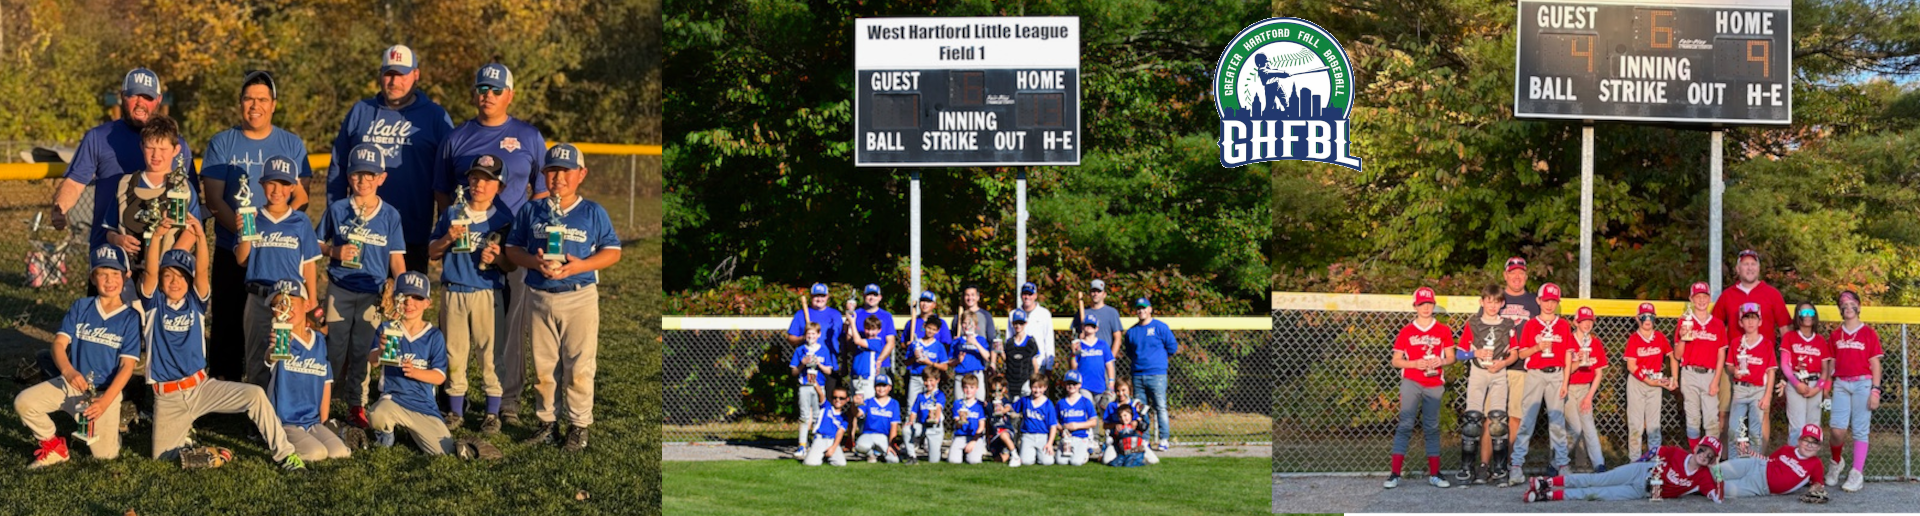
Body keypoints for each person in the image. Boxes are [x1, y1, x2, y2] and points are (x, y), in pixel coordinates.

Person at [141, 216, 304, 470]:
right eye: (169, 276)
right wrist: (157, 237)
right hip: (168, 397)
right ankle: (194, 442)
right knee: (163, 460)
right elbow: (150, 271)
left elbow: (203, 271)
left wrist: (200, 237)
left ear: (189, 282)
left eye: (182, 277)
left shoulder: (195, 303)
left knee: (255, 395)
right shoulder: (154, 304)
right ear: (161, 280)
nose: (175, 282)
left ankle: (285, 454)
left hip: (200, 388)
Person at [436, 63, 548, 422]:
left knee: (507, 328)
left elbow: (541, 192)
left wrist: (523, 237)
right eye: (482, 88)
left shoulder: (528, 136)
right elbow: (442, 192)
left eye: (496, 90)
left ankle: (508, 402)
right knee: (454, 329)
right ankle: (453, 399)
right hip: (463, 247)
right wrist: (454, 227)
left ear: (510, 95)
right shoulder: (457, 137)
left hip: (509, 247)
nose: (488, 95)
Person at [503, 143, 623, 451]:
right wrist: (535, 262)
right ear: (543, 175)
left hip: (579, 295)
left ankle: (579, 425)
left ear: (581, 174)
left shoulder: (592, 211)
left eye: (566, 171)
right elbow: (513, 249)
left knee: (579, 365)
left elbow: (613, 251)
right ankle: (547, 422)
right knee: (543, 367)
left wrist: (581, 266)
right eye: (552, 170)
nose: (559, 177)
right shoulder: (532, 209)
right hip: (539, 295)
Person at [200, 70, 313, 382]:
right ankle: (225, 385)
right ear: (240, 103)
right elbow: (213, 199)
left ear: (273, 104)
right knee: (228, 321)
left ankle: (276, 386)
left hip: (277, 255)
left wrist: (273, 230)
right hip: (232, 246)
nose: (255, 105)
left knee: (278, 321)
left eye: (262, 99)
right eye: (249, 98)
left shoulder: (291, 143)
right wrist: (246, 234)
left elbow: (301, 196)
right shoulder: (223, 142)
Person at [326, 44, 453, 275]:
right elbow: (338, 167)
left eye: (401, 75)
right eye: (389, 75)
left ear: (416, 75)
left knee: (406, 305)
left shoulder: (435, 116)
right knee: (357, 303)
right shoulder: (361, 111)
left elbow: (447, 175)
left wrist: (445, 225)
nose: (394, 82)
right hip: (358, 231)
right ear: (380, 75)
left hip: (411, 232)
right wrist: (335, 219)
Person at [16, 245, 143, 467]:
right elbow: (58, 344)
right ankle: (54, 446)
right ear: (92, 277)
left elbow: (127, 367)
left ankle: (116, 421)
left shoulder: (130, 317)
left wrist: (105, 402)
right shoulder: (81, 306)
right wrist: (68, 371)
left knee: (104, 457)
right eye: (102, 273)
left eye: (116, 273)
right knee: (24, 402)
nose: (109, 279)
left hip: (104, 393)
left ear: (127, 276)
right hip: (73, 383)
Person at [50, 68, 198, 250]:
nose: (140, 103)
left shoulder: (177, 145)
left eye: (147, 98)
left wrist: (176, 256)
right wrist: (60, 209)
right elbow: (74, 183)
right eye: (133, 96)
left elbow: (191, 206)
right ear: (122, 97)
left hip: (162, 254)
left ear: (159, 100)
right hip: (109, 253)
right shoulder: (99, 137)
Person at [320, 143, 409, 427]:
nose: (363, 181)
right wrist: (335, 252)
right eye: (357, 174)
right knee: (334, 349)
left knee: (362, 351)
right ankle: (321, 400)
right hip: (340, 287)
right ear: (349, 176)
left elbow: (396, 257)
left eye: (370, 175)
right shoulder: (337, 209)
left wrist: (402, 290)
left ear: (381, 178)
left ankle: (355, 404)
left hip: (372, 293)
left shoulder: (390, 215)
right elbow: (315, 243)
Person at [427, 154, 517, 431]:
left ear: (499, 187)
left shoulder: (503, 219)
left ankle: (492, 412)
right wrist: (447, 238)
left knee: (489, 353)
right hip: (454, 290)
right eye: (475, 177)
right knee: (454, 352)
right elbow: (432, 252)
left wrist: (497, 258)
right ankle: (456, 410)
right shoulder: (453, 213)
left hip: (487, 292)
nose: (479, 184)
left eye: (488, 180)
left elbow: (511, 265)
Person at [235, 156, 321, 388]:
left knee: (289, 359)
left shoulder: (300, 221)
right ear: (262, 184)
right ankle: (257, 416)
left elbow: (309, 263)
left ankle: (285, 409)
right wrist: (245, 231)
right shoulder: (254, 217)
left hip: (291, 302)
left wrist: (312, 298)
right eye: (272, 183)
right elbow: (242, 260)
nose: (277, 190)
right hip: (259, 296)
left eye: (284, 184)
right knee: (256, 359)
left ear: (293, 187)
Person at [1711, 249, 1790, 452]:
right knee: (1725, 413)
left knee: (1761, 413)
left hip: (1762, 366)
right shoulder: (1728, 295)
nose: (1749, 267)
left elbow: (1785, 330)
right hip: (1733, 365)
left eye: (1753, 264)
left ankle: (1758, 460)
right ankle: (1727, 461)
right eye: (1745, 264)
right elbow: (1715, 329)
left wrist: (1786, 364)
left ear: (1759, 268)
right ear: (1738, 269)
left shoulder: (1772, 293)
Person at [365, 271, 452, 455]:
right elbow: (372, 361)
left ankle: (414, 433)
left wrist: (416, 373)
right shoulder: (388, 328)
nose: (409, 303)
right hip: (394, 398)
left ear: (428, 303)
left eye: (417, 298)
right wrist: (381, 350)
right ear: (396, 299)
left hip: (423, 404)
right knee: (377, 414)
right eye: (404, 297)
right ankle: (386, 436)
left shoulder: (434, 335)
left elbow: (439, 376)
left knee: (443, 451)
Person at [264, 282, 350, 462]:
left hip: (311, 421)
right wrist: (276, 349)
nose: (285, 309)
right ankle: (276, 441)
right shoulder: (280, 339)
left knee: (339, 452)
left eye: (290, 303)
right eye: (279, 305)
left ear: (307, 305)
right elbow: (270, 357)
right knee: (316, 453)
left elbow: (325, 383)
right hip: (284, 422)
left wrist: (324, 423)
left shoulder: (319, 340)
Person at [1505, 282, 1574, 487]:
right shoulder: (1531, 324)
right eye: (1546, 300)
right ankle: (1516, 465)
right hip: (1535, 374)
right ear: (1538, 301)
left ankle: (1562, 464)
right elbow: (1522, 353)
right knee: (1527, 419)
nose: (1549, 305)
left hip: (1556, 374)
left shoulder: (1563, 325)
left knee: (1557, 421)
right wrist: (1537, 347)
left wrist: (1566, 381)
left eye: (1553, 301)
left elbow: (1568, 355)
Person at [106, 116, 204, 256]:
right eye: (150, 148)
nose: (156, 155)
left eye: (163, 149)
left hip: (168, 270)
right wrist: (118, 240)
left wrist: (173, 259)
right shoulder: (125, 185)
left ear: (176, 150)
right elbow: (110, 229)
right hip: (130, 269)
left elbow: (193, 229)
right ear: (142, 146)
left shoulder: (183, 188)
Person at [1387, 287, 1453, 489]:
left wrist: (1438, 361)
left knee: (1431, 427)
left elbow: (1451, 357)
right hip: (1412, 381)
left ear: (1433, 305)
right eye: (1421, 304)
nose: (1425, 308)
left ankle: (1435, 474)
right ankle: (1395, 474)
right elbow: (1396, 361)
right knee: (1405, 425)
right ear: (1414, 306)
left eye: (1429, 303)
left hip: (1434, 383)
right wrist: (1415, 363)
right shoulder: (1407, 331)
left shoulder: (1443, 330)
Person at [1521, 436, 1723, 503]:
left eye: (1710, 456)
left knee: (1597, 494)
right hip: (1641, 472)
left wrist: (1717, 469)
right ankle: (1547, 482)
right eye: (1704, 450)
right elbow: (1655, 450)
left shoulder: (1703, 477)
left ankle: (1547, 496)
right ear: (1697, 447)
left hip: (1640, 492)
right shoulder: (1679, 454)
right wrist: (1638, 462)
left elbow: (1718, 498)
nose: (1705, 455)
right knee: (1598, 479)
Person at [1455, 283, 1517, 484]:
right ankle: (1467, 469)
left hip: (1499, 372)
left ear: (1502, 303)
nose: (1492, 306)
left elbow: (1514, 353)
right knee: (1473, 420)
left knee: (1498, 421)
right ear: (1482, 302)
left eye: (1496, 302)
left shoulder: (1508, 325)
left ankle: (1499, 469)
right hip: (1478, 371)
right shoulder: (1473, 323)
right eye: (1488, 301)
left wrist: (1503, 363)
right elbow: (1459, 353)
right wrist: (1476, 352)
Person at [1824, 290, 1882, 492]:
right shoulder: (1835, 335)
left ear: (1858, 305)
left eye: (1851, 302)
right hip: (1841, 383)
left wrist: (1875, 390)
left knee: (1860, 429)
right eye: (1843, 303)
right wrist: (1828, 385)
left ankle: (1857, 473)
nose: (1848, 306)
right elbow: (1831, 362)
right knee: (1837, 430)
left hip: (1862, 384)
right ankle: (1836, 462)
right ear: (1840, 309)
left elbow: (1875, 364)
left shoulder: (1868, 333)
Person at [1674, 281, 1728, 451]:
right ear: (1691, 299)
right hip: (1689, 373)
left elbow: (1721, 355)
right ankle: (1695, 454)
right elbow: (1677, 355)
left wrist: (1716, 380)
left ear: (1709, 298)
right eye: (1698, 297)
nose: (1701, 300)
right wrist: (1683, 338)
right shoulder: (1685, 321)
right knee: (1693, 418)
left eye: (1704, 296)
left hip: (1709, 374)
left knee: (1711, 419)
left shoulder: (1717, 324)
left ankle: (1711, 457)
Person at [1124, 297, 1179, 452]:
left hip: (1157, 375)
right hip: (1138, 375)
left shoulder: (1160, 327)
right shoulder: (1132, 331)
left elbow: (1172, 347)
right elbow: (1129, 351)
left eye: (1144, 308)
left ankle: (1164, 439)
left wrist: (1158, 361)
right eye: (1138, 308)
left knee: (1160, 407)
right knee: (1142, 409)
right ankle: (1145, 439)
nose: (1141, 311)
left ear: (1150, 309)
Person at [1716, 425, 1828, 499]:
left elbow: (1818, 483)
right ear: (1799, 441)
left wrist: (1816, 489)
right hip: (1754, 465)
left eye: (1814, 443)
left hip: (1759, 486)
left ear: (1819, 447)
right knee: (1719, 470)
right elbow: (1767, 460)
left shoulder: (1816, 464)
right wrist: (1750, 453)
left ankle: (1701, 485)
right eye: (1806, 440)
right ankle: (1699, 473)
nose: (1809, 445)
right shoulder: (1786, 449)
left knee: (1723, 489)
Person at [1623, 302, 1675, 460]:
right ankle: (1634, 463)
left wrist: (1673, 378)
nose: (1648, 319)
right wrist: (1647, 380)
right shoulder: (1634, 339)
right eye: (1644, 316)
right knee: (1635, 425)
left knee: (1654, 426)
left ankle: (1655, 463)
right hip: (1638, 383)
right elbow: (1631, 366)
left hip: (1654, 383)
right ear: (1637, 318)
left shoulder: (1659, 337)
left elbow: (1672, 356)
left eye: (1651, 316)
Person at [1562, 306, 1610, 473]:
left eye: (1590, 320)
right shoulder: (1568, 340)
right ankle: (1557, 462)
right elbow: (1564, 371)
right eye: (1583, 320)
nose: (1587, 323)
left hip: (1585, 389)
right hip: (1568, 388)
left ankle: (1599, 464)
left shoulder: (1595, 343)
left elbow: (1598, 373)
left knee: (1589, 426)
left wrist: (1589, 396)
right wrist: (1578, 361)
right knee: (1575, 428)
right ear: (1576, 322)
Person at [1725, 303, 1777, 457]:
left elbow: (1771, 371)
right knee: (1734, 429)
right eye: (1746, 318)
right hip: (1740, 389)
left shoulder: (1766, 344)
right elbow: (1729, 366)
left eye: (1754, 318)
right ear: (1741, 322)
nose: (1750, 322)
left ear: (1760, 322)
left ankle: (1754, 465)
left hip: (1758, 391)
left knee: (1755, 431)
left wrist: (1768, 396)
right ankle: (1734, 463)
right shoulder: (1736, 343)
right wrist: (1735, 371)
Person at [1497, 257, 1540, 442]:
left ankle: (1511, 463)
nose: (1517, 277)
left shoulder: (1535, 302)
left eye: (1521, 273)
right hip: (1497, 366)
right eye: (1512, 272)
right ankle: (1487, 465)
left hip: (1523, 367)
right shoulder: (1495, 299)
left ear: (1526, 276)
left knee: (1517, 418)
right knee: (1493, 418)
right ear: (1505, 275)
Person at [1779, 302, 1832, 444]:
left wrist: (1817, 388)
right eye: (1804, 313)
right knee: (1797, 426)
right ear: (1798, 316)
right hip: (1796, 382)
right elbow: (1784, 364)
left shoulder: (1820, 340)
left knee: (1813, 426)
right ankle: (1793, 461)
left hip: (1815, 384)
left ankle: (1809, 462)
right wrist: (1796, 384)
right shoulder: (1790, 337)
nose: (1807, 316)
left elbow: (1825, 369)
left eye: (1811, 313)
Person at [788, 322, 832, 458]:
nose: (811, 336)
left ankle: (816, 444)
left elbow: (829, 370)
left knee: (818, 416)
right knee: (804, 416)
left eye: (813, 334)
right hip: (805, 386)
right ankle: (802, 444)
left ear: (818, 335)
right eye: (808, 334)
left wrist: (819, 364)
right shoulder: (800, 350)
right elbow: (794, 372)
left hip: (819, 387)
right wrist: (803, 364)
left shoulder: (824, 350)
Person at [1101, 378, 1158, 465]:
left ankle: (1139, 455)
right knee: (1106, 461)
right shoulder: (1111, 406)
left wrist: (1137, 422)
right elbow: (1105, 425)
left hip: (1134, 441)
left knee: (1154, 461)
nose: (1120, 394)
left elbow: (1144, 425)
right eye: (1118, 391)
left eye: (1124, 390)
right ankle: (1120, 454)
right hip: (1117, 441)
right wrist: (1115, 425)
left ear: (1130, 391)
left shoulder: (1135, 405)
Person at [903, 316, 950, 414]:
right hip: (916, 377)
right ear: (924, 326)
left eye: (934, 329)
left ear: (937, 331)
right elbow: (906, 362)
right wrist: (914, 358)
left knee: (930, 406)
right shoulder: (915, 344)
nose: (930, 331)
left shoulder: (939, 346)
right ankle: (910, 426)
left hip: (931, 380)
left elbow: (945, 366)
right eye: (929, 328)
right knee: (911, 406)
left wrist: (930, 363)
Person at [1069, 313, 1116, 408]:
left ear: (1097, 328)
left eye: (1092, 325)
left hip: (1100, 385)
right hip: (1084, 385)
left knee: (1105, 412)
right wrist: (1073, 354)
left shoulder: (1102, 344)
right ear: (1083, 327)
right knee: (1088, 409)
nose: (1089, 327)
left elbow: (1109, 364)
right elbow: (1074, 367)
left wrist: (1111, 382)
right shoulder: (1078, 344)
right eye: (1087, 325)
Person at [1012, 374, 1060, 467]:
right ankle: (1031, 453)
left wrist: (1050, 443)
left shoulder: (1048, 404)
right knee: (1026, 462)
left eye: (1040, 388)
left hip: (1042, 436)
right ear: (1030, 387)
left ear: (1045, 388)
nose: (1037, 390)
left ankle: (1039, 454)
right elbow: (1013, 408)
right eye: (1034, 387)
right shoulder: (1025, 400)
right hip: (1028, 435)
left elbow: (1053, 426)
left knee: (1047, 462)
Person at [1054, 371, 1100, 466]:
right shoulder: (1061, 403)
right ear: (1064, 384)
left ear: (1079, 385)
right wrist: (1062, 429)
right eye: (1068, 383)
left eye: (1074, 383)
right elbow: (1054, 421)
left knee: (1076, 462)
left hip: (1081, 436)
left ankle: (1086, 450)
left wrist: (1076, 426)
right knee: (1061, 462)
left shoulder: (1085, 401)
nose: (1071, 386)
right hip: (1066, 438)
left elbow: (1093, 422)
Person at [853, 375, 902, 463]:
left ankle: (880, 454)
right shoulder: (869, 401)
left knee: (893, 460)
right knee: (860, 446)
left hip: (883, 437)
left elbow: (894, 426)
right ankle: (871, 454)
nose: (881, 388)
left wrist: (891, 444)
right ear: (874, 387)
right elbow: (857, 414)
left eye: (884, 385)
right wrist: (854, 404)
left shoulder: (894, 403)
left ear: (889, 387)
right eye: (878, 385)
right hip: (868, 434)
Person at [949, 312, 992, 404]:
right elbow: (949, 362)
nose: (967, 326)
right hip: (961, 376)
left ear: (975, 325)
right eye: (964, 323)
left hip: (976, 375)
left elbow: (988, 357)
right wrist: (958, 360)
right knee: (959, 405)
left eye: (970, 323)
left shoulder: (981, 340)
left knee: (979, 405)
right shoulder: (957, 341)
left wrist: (976, 344)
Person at [802, 386, 850, 467]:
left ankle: (826, 456)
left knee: (841, 463)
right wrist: (815, 383)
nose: (838, 400)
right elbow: (821, 394)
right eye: (835, 397)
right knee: (810, 463)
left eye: (841, 398)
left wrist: (833, 448)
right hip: (820, 438)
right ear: (831, 398)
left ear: (847, 399)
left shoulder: (844, 418)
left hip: (832, 441)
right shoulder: (826, 407)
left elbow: (840, 432)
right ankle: (821, 456)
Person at [846, 315, 889, 404]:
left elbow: (857, 341)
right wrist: (848, 321)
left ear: (879, 330)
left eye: (873, 330)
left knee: (865, 407)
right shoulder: (861, 338)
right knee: (854, 407)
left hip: (867, 379)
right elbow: (850, 336)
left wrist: (853, 322)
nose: (870, 332)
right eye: (867, 329)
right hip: (855, 378)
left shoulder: (876, 342)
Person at [906, 371, 946, 463]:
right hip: (922, 425)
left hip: (934, 428)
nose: (928, 383)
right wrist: (911, 422)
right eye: (926, 381)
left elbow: (938, 408)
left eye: (931, 380)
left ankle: (934, 449)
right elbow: (914, 411)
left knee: (934, 460)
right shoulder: (920, 396)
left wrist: (936, 418)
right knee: (907, 429)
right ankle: (912, 456)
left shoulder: (939, 394)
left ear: (937, 380)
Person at [946, 374, 987, 464]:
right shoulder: (958, 403)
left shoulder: (980, 405)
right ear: (962, 388)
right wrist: (961, 420)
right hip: (960, 436)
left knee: (974, 461)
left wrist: (973, 441)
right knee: (953, 461)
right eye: (966, 387)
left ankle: (970, 452)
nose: (968, 390)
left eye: (972, 387)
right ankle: (962, 453)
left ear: (976, 388)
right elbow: (957, 423)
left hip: (975, 437)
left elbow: (982, 426)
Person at [1000, 310, 1040, 396]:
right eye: (1016, 323)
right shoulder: (1009, 342)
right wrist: (1000, 351)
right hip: (1011, 381)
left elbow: (1035, 365)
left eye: (1021, 323)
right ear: (1012, 324)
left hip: (1026, 381)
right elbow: (1007, 360)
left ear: (1025, 323)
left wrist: (1035, 382)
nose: (1018, 326)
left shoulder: (1031, 342)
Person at [1080, 280, 1124, 360]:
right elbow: (1076, 336)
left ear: (1104, 294)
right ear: (1090, 294)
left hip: (1104, 360)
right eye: (1093, 291)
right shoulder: (1082, 312)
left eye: (1099, 291)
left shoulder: (1112, 312)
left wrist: (1110, 359)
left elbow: (1117, 338)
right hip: (1086, 360)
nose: (1096, 294)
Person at [1018, 283, 1056, 372]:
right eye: (1024, 294)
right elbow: (1009, 340)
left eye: (1030, 294)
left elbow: (1049, 341)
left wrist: (1049, 365)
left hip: (1039, 364)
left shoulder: (1044, 314)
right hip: (1019, 365)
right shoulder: (1014, 314)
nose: (1027, 297)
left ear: (1035, 296)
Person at [986, 375, 1019, 466]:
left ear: (1004, 389)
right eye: (993, 391)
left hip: (1005, 429)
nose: (996, 394)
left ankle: (1015, 455)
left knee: (1004, 435)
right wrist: (988, 435)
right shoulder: (989, 404)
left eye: (999, 391)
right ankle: (1007, 454)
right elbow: (988, 421)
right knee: (998, 459)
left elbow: (1008, 407)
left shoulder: (1004, 401)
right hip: (995, 432)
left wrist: (1002, 410)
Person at [1106, 403, 1151, 468]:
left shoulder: (1136, 426)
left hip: (1136, 452)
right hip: (1123, 454)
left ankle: (1143, 462)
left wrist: (1140, 418)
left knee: (1128, 465)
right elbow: (1112, 440)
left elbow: (1145, 425)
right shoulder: (1118, 428)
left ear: (1131, 415)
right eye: (1120, 417)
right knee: (1114, 464)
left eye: (1125, 415)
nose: (1123, 419)